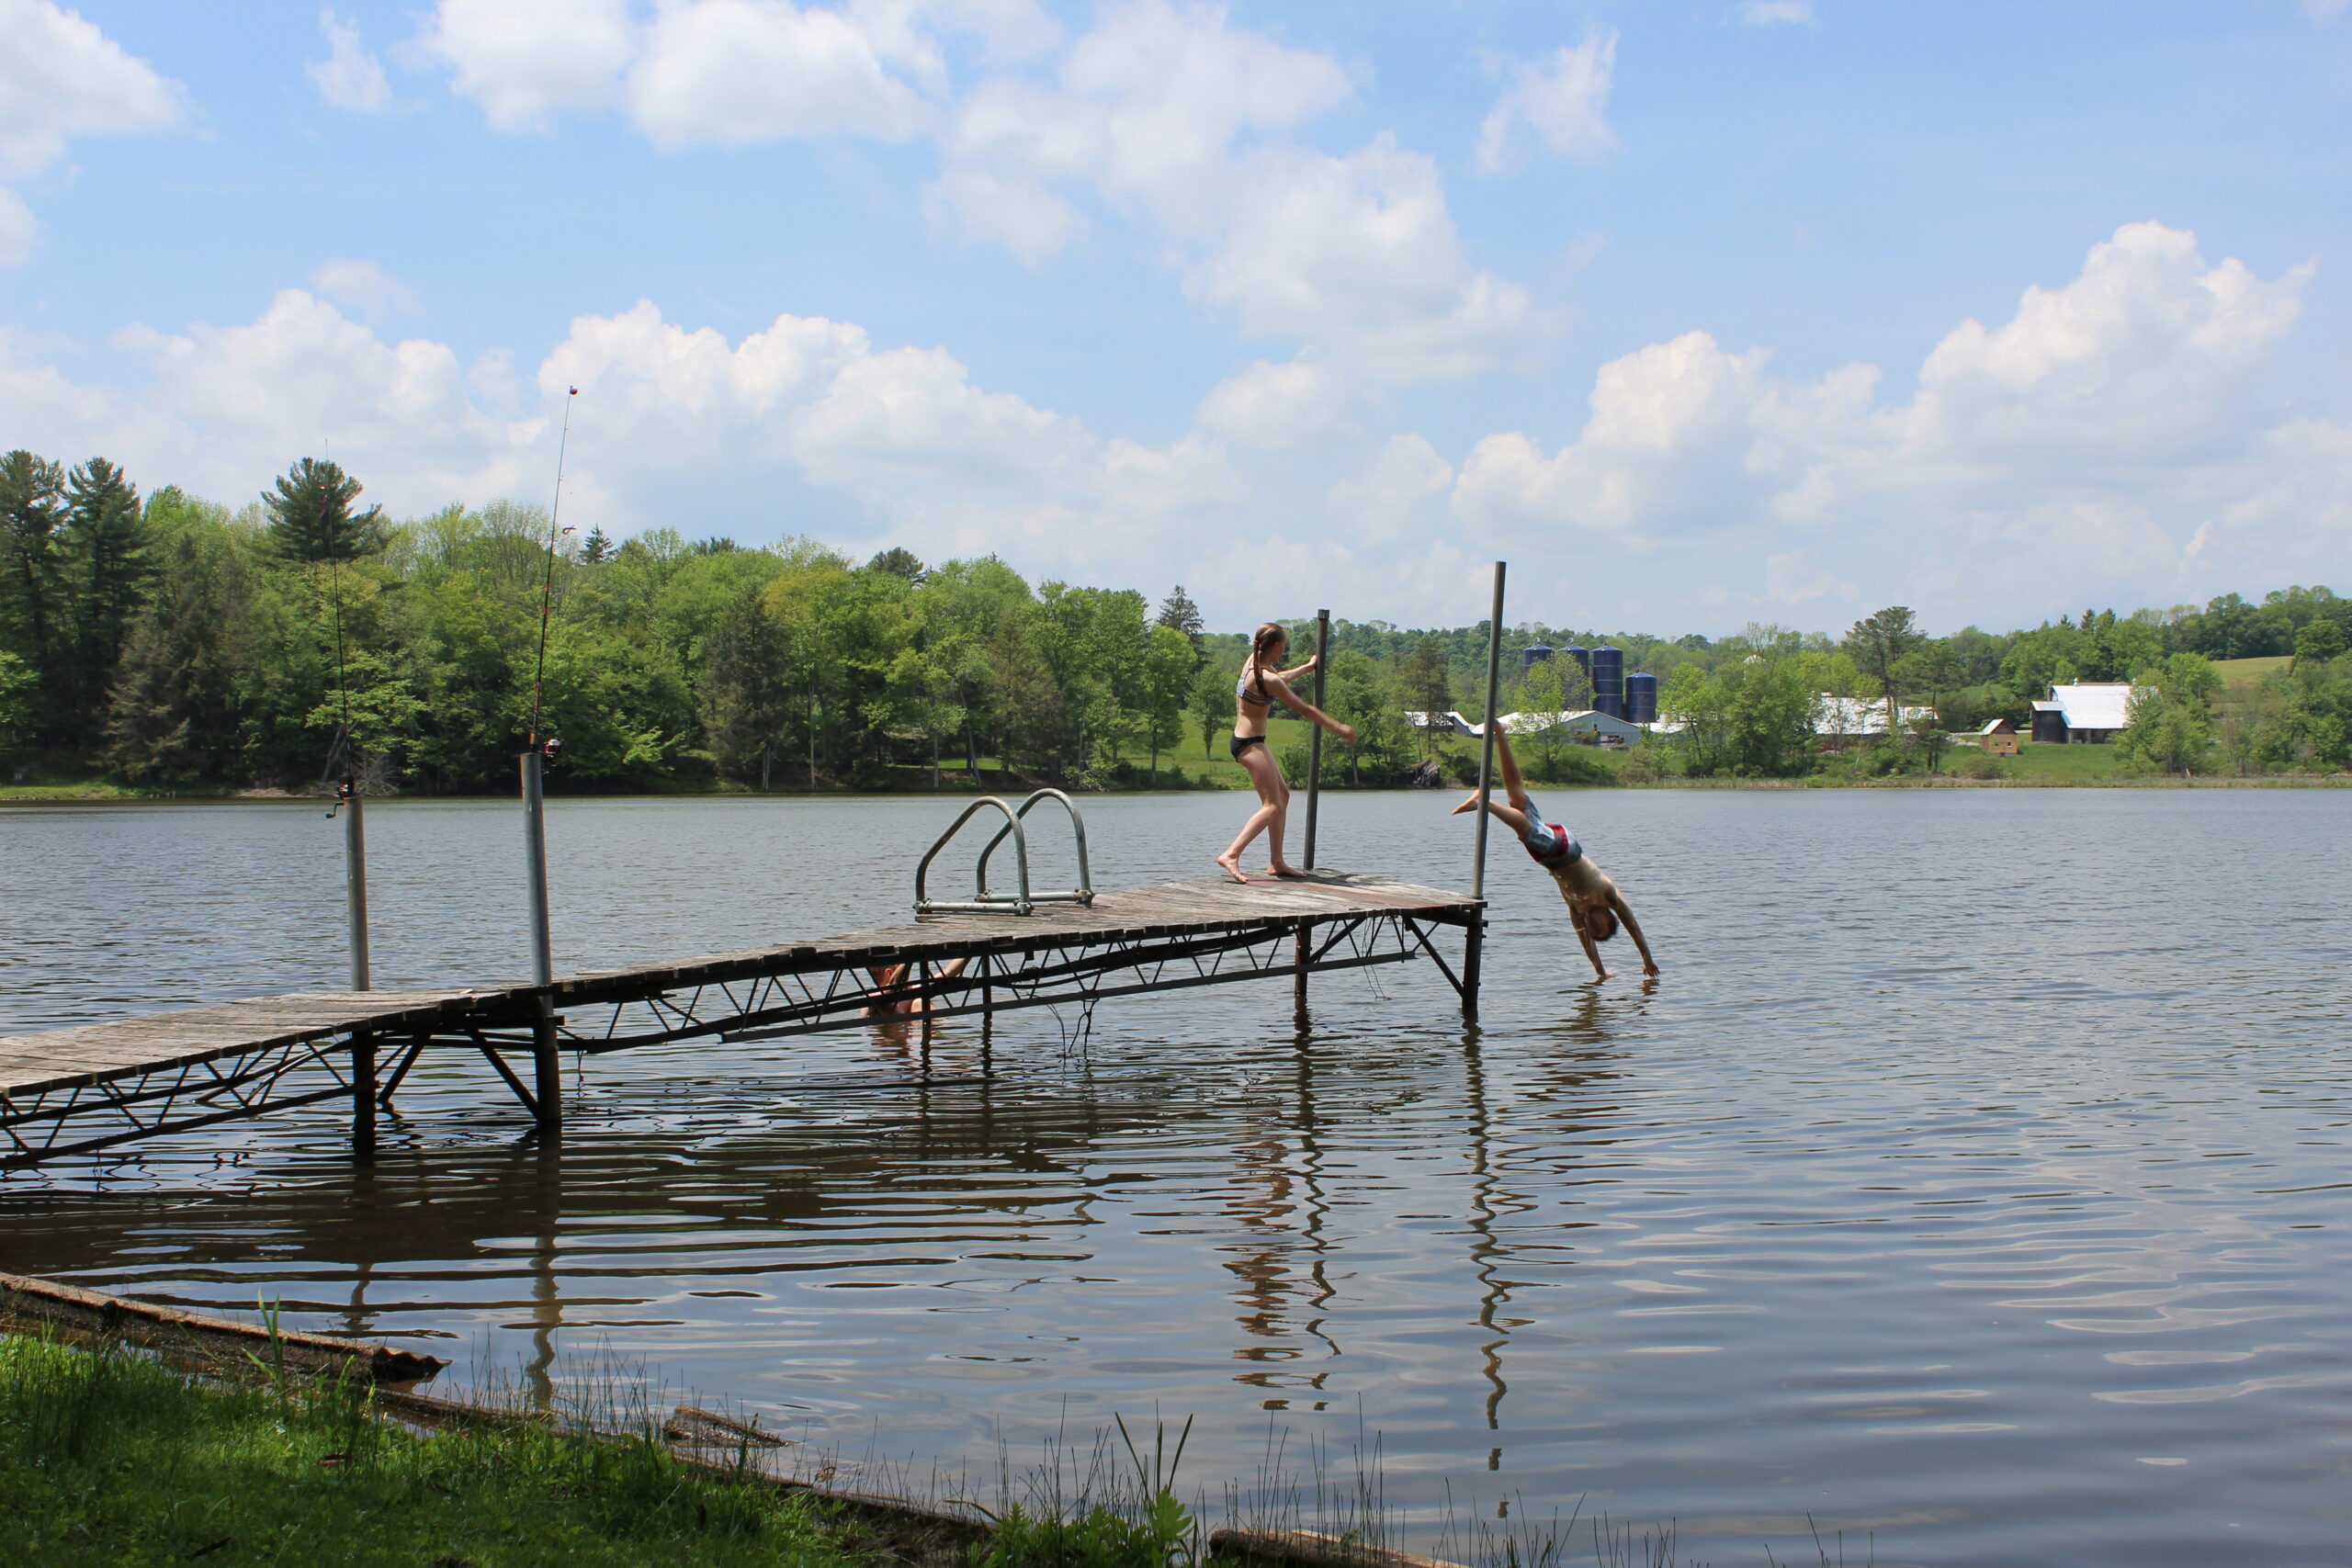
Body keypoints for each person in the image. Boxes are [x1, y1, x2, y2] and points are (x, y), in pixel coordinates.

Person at [1452, 728, 1658, 981]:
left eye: (1595, 932)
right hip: (1564, 851)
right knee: (1526, 830)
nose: (1594, 929)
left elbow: (1584, 940)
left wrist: (1600, 970)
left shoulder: (1576, 908)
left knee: (1518, 799)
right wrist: (1646, 957)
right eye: (1600, 928)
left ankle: (1501, 737)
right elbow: (1633, 926)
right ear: (1608, 917)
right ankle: (1485, 802)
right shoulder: (1609, 896)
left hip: (1554, 854)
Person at [1217, 622, 1357, 884]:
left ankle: (1276, 862)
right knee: (1272, 805)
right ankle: (1231, 854)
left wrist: (1306, 667)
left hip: (1249, 740)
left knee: (1282, 795)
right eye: (1284, 648)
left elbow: (1278, 680)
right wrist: (1338, 728)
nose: (1284, 652)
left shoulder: (1254, 663)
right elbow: (1305, 709)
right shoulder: (1266, 677)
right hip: (1249, 744)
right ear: (1278, 647)